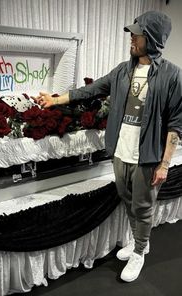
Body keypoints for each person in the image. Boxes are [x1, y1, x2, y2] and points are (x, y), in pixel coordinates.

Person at [34, 10, 182, 282]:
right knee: (127, 198)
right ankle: (141, 242)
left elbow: (176, 124)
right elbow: (92, 90)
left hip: (148, 155)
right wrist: (56, 100)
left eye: (136, 35)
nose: (131, 39)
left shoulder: (173, 75)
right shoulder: (124, 70)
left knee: (143, 205)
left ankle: (139, 251)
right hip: (120, 149)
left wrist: (164, 163)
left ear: (150, 38)